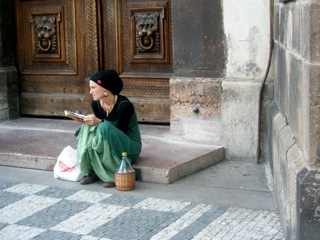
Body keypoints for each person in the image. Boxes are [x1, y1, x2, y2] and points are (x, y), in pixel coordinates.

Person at [76, 70, 142, 188]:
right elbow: (99, 129)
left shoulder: (124, 105)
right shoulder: (96, 104)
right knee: (87, 128)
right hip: (107, 138)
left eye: (93, 88)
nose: (90, 92)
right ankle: (92, 170)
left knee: (104, 127)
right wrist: (84, 121)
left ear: (105, 88)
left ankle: (113, 173)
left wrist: (99, 122)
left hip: (128, 147)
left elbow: (119, 130)